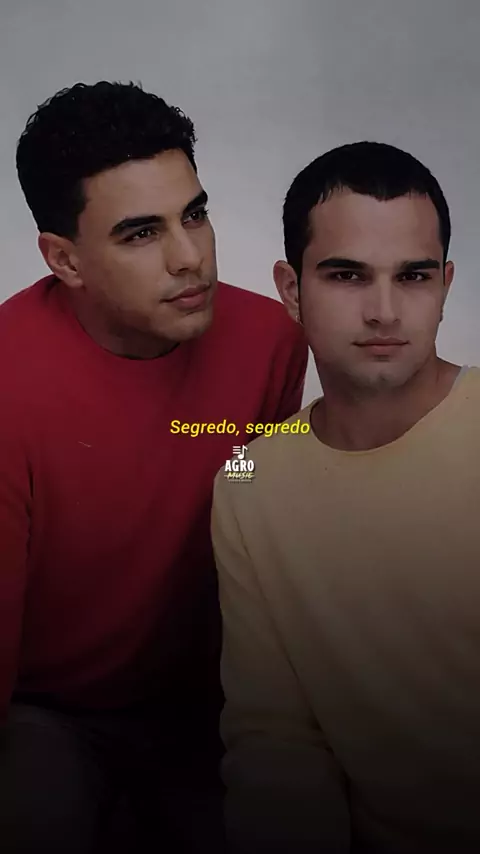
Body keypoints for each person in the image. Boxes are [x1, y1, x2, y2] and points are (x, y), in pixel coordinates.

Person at [0, 81, 307, 853]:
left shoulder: (270, 339)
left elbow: (249, 495)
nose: (189, 257)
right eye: (141, 233)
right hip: (45, 711)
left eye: (193, 214)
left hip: (204, 700)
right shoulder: (8, 385)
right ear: (64, 259)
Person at [212, 141, 480, 853]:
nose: (384, 311)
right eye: (346, 275)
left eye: (414, 276)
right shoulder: (247, 484)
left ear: (447, 285)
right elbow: (274, 741)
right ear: (291, 288)